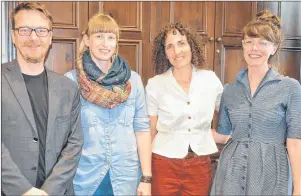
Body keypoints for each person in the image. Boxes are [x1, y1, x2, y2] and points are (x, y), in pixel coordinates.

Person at [210, 10, 301, 195]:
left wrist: (299, 187)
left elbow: (295, 142)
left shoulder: (290, 88)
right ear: (243, 46)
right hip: (231, 172)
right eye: (249, 42)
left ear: (274, 48)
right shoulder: (230, 90)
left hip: (272, 173)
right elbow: (223, 134)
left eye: (263, 42)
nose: (254, 48)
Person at [64, 13, 152, 196]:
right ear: (87, 40)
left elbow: (142, 130)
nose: (105, 44)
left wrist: (146, 178)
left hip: (126, 178)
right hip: (86, 179)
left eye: (111, 37)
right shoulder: (72, 81)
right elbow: (64, 136)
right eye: (99, 36)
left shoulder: (133, 81)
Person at [1, 2, 83, 196]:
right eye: (24, 30)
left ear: (50, 36)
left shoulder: (68, 88)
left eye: (41, 30)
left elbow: (75, 143)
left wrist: (48, 191)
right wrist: (25, 190)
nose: (33, 37)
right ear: (13, 35)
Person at [145, 22, 223, 195]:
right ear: (164, 53)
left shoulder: (210, 80)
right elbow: (149, 131)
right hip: (163, 164)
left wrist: (222, 136)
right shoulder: (155, 84)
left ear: (191, 46)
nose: (176, 51)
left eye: (181, 43)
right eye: (169, 47)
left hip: (200, 165)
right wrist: (145, 174)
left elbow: (229, 115)